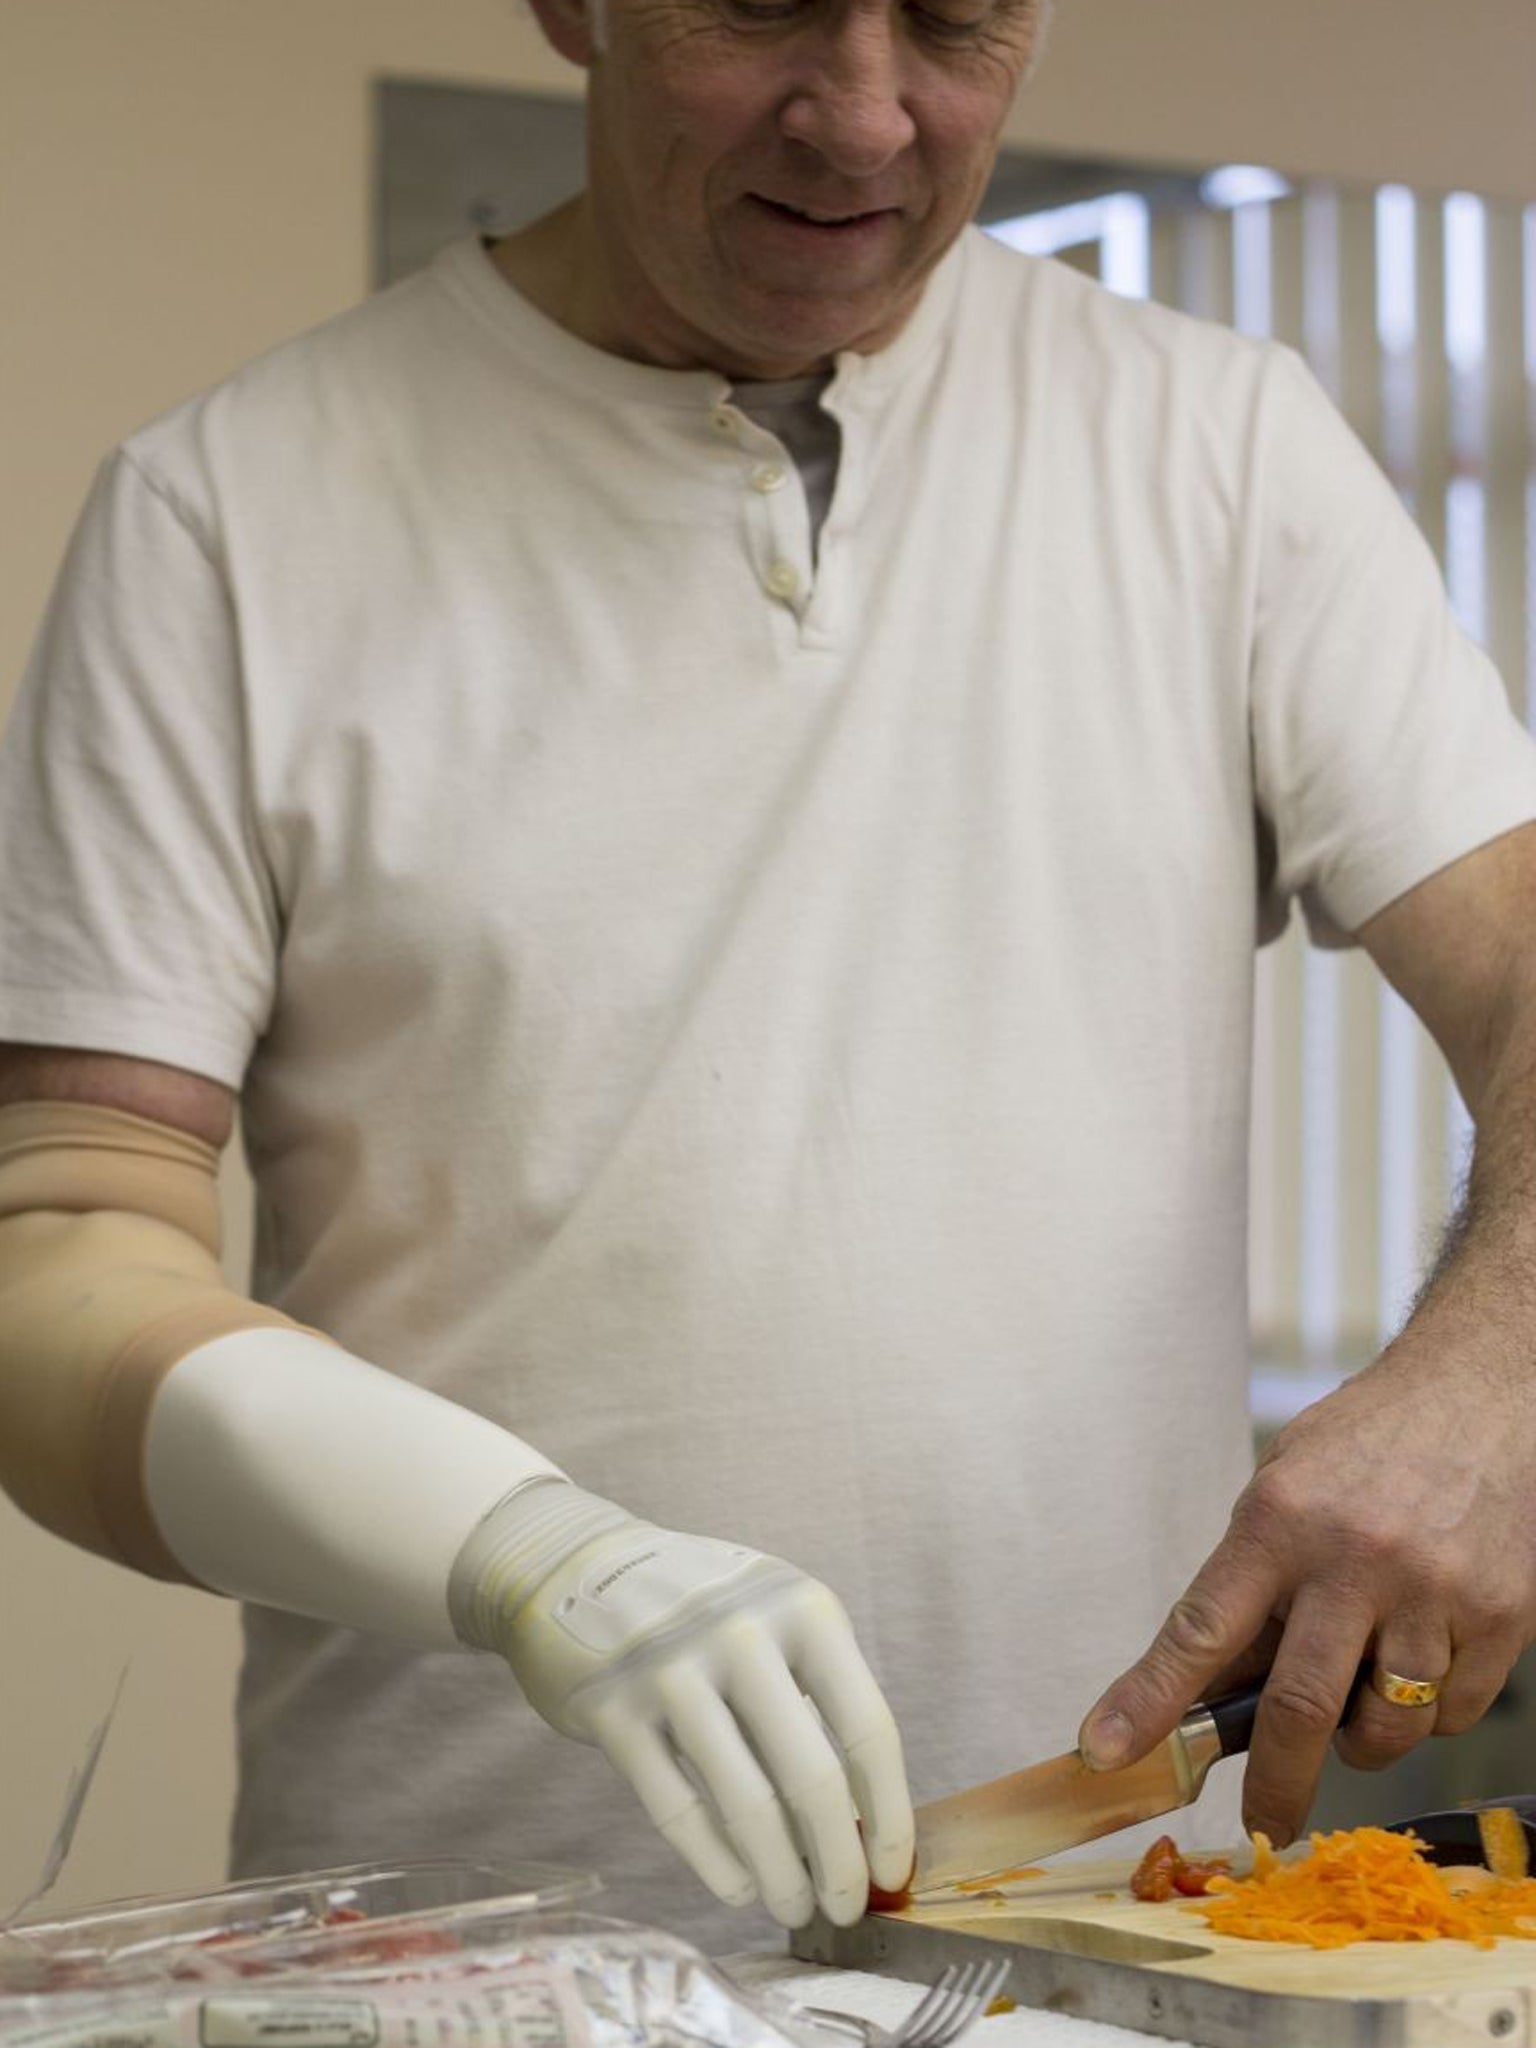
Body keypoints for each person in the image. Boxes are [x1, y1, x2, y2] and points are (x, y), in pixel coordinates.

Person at [3, 0, 1536, 1955]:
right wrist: (518, 1554)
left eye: (957, 20)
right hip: (462, 1950)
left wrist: (1497, 1372)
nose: (866, 115)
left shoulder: (1217, 445)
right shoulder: (227, 516)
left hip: (1103, 1948)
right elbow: (56, 1245)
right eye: (766, 3)